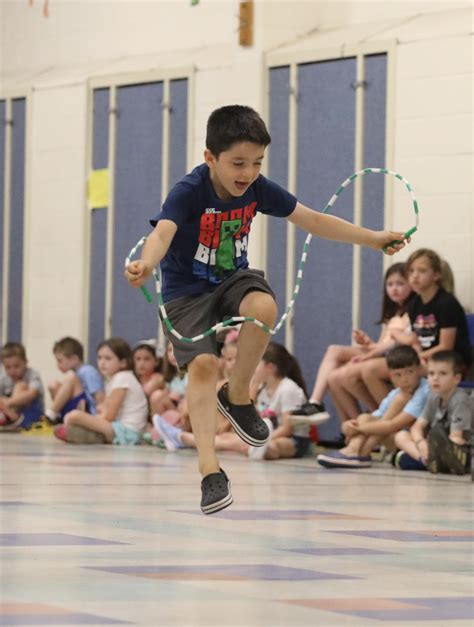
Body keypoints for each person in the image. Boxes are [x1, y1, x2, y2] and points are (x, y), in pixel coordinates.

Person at [125, 104, 408, 514]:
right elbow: (163, 232)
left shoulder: (257, 188)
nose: (248, 172)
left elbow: (312, 219)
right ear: (210, 158)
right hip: (185, 292)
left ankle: (238, 395)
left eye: (256, 162)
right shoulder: (189, 191)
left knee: (263, 305)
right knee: (202, 367)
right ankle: (210, 471)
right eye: (238, 163)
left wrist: (373, 238)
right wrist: (146, 265)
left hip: (231, 280)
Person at [291, 262, 413, 423]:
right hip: (381, 353)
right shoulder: (392, 314)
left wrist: (370, 353)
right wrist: (368, 343)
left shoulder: (412, 311)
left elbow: (397, 344)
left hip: (395, 356)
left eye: (400, 284)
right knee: (334, 361)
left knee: (342, 371)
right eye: (390, 284)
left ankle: (369, 421)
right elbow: (381, 344)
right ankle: (317, 404)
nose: (394, 289)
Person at [179, 342, 310, 461]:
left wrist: (261, 440)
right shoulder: (262, 389)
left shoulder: (288, 389)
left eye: (256, 363)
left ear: (270, 367)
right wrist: (253, 387)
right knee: (227, 437)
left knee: (272, 447)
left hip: (293, 439)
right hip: (269, 436)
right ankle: (187, 439)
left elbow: (287, 429)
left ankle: (183, 439)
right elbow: (252, 416)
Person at [317, 346, 429, 468]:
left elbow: (393, 425)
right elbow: (376, 418)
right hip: (395, 438)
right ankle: (354, 451)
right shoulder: (395, 393)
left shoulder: (424, 390)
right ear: (391, 376)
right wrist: (350, 425)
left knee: (393, 412)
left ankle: (358, 453)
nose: (405, 379)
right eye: (398, 375)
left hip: (411, 441)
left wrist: (358, 429)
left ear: (419, 370)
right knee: (365, 417)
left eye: (409, 372)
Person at [54, 338, 148, 445]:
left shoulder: (122, 378)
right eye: (99, 358)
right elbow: (104, 408)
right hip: (118, 428)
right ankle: (82, 434)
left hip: (128, 432)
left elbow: (109, 416)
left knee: (74, 416)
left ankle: (80, 433)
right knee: (77, 419)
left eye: (108, 358)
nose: (102, 363)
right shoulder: (113, 380)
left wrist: (92, 419)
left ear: (123, 363)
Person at [393, 351, 472, 474]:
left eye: (443, 374)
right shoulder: (433, 396)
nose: (435, 378)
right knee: (401, 436)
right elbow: (416, 427)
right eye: (431, 373)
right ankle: (427, 461)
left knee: (403, 459)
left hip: (461, 449)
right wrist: (421, 443)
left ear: (456, 378)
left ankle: (429, 461)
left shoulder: (460, 400)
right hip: (436, 450)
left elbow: (456, 437)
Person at [404, 249, 471, 369]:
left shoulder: (447, 303)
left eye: (422, 271)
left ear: (436, 274)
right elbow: (415, 341)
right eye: (411, 271)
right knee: (366, 369)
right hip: (425, 359)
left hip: (451, 361)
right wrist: (419, 355)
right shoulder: (414, 304)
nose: (414, 276)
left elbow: (446, 346)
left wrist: (419, 358)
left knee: (403, 372)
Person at [45, 337, 104, 424]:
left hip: (89, 412)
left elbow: (99, 397)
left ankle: (51, 414)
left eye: (60, 361)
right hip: (77, 408)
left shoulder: (87, 371)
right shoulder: (76, 373)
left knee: (71, 377)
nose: (58, 365)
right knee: (54, 385)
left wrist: (100, 418)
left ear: (74, 359)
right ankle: (59, 418)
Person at [0, 342, 44, 430]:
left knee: (20, 385)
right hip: (11, 413)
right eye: (8, 367)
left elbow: (33, 393)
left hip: (31, 411)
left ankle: (11, 417)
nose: (12, 371)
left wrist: (8, 402)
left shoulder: (32, 374)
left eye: (16, 366)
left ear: (25, 362)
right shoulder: (4, 378)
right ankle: (9, 417)